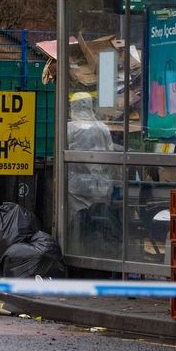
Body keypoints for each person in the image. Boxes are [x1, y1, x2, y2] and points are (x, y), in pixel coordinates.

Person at [65, 91, 118, 254]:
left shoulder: (70, 128)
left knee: (76, 224)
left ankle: (75, 251)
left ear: (73, 107)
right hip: (102, 187)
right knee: (99, 224)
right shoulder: (102, 127)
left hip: (77, 188)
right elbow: (110, 153)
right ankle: (99, 251)